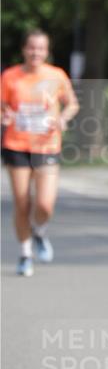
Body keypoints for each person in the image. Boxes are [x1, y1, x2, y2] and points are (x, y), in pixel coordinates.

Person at [1, 29, 79, 277]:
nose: (36, 52)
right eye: (31, 47)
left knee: (45, 204)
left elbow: (72, 104)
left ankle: (39, 232)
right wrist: (4, 115)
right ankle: (25, 254)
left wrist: (63, 119)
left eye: (41, 48)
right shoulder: (10, 76)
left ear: (47, 51)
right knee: (22, 202)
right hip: (17, 144)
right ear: (24, 49)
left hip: (47, 145)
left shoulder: (56, 75)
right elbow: (2, 106)